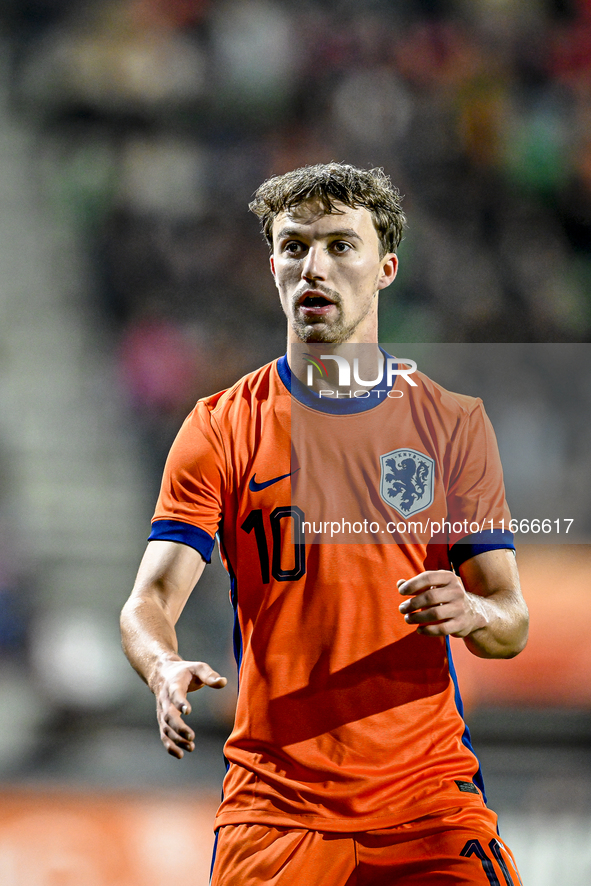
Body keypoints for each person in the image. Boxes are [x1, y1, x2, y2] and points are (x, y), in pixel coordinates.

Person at [120, 163, 529, 885]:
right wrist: (163, 666)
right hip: (276, 804)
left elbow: (510, 622)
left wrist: (469, 610)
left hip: (427, 800)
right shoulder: (219, 428)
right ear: (272, 265)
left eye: (340, 245)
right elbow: (149, 600)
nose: (314, 265)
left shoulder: (452, 425)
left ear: (385, 268)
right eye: (293, 245)